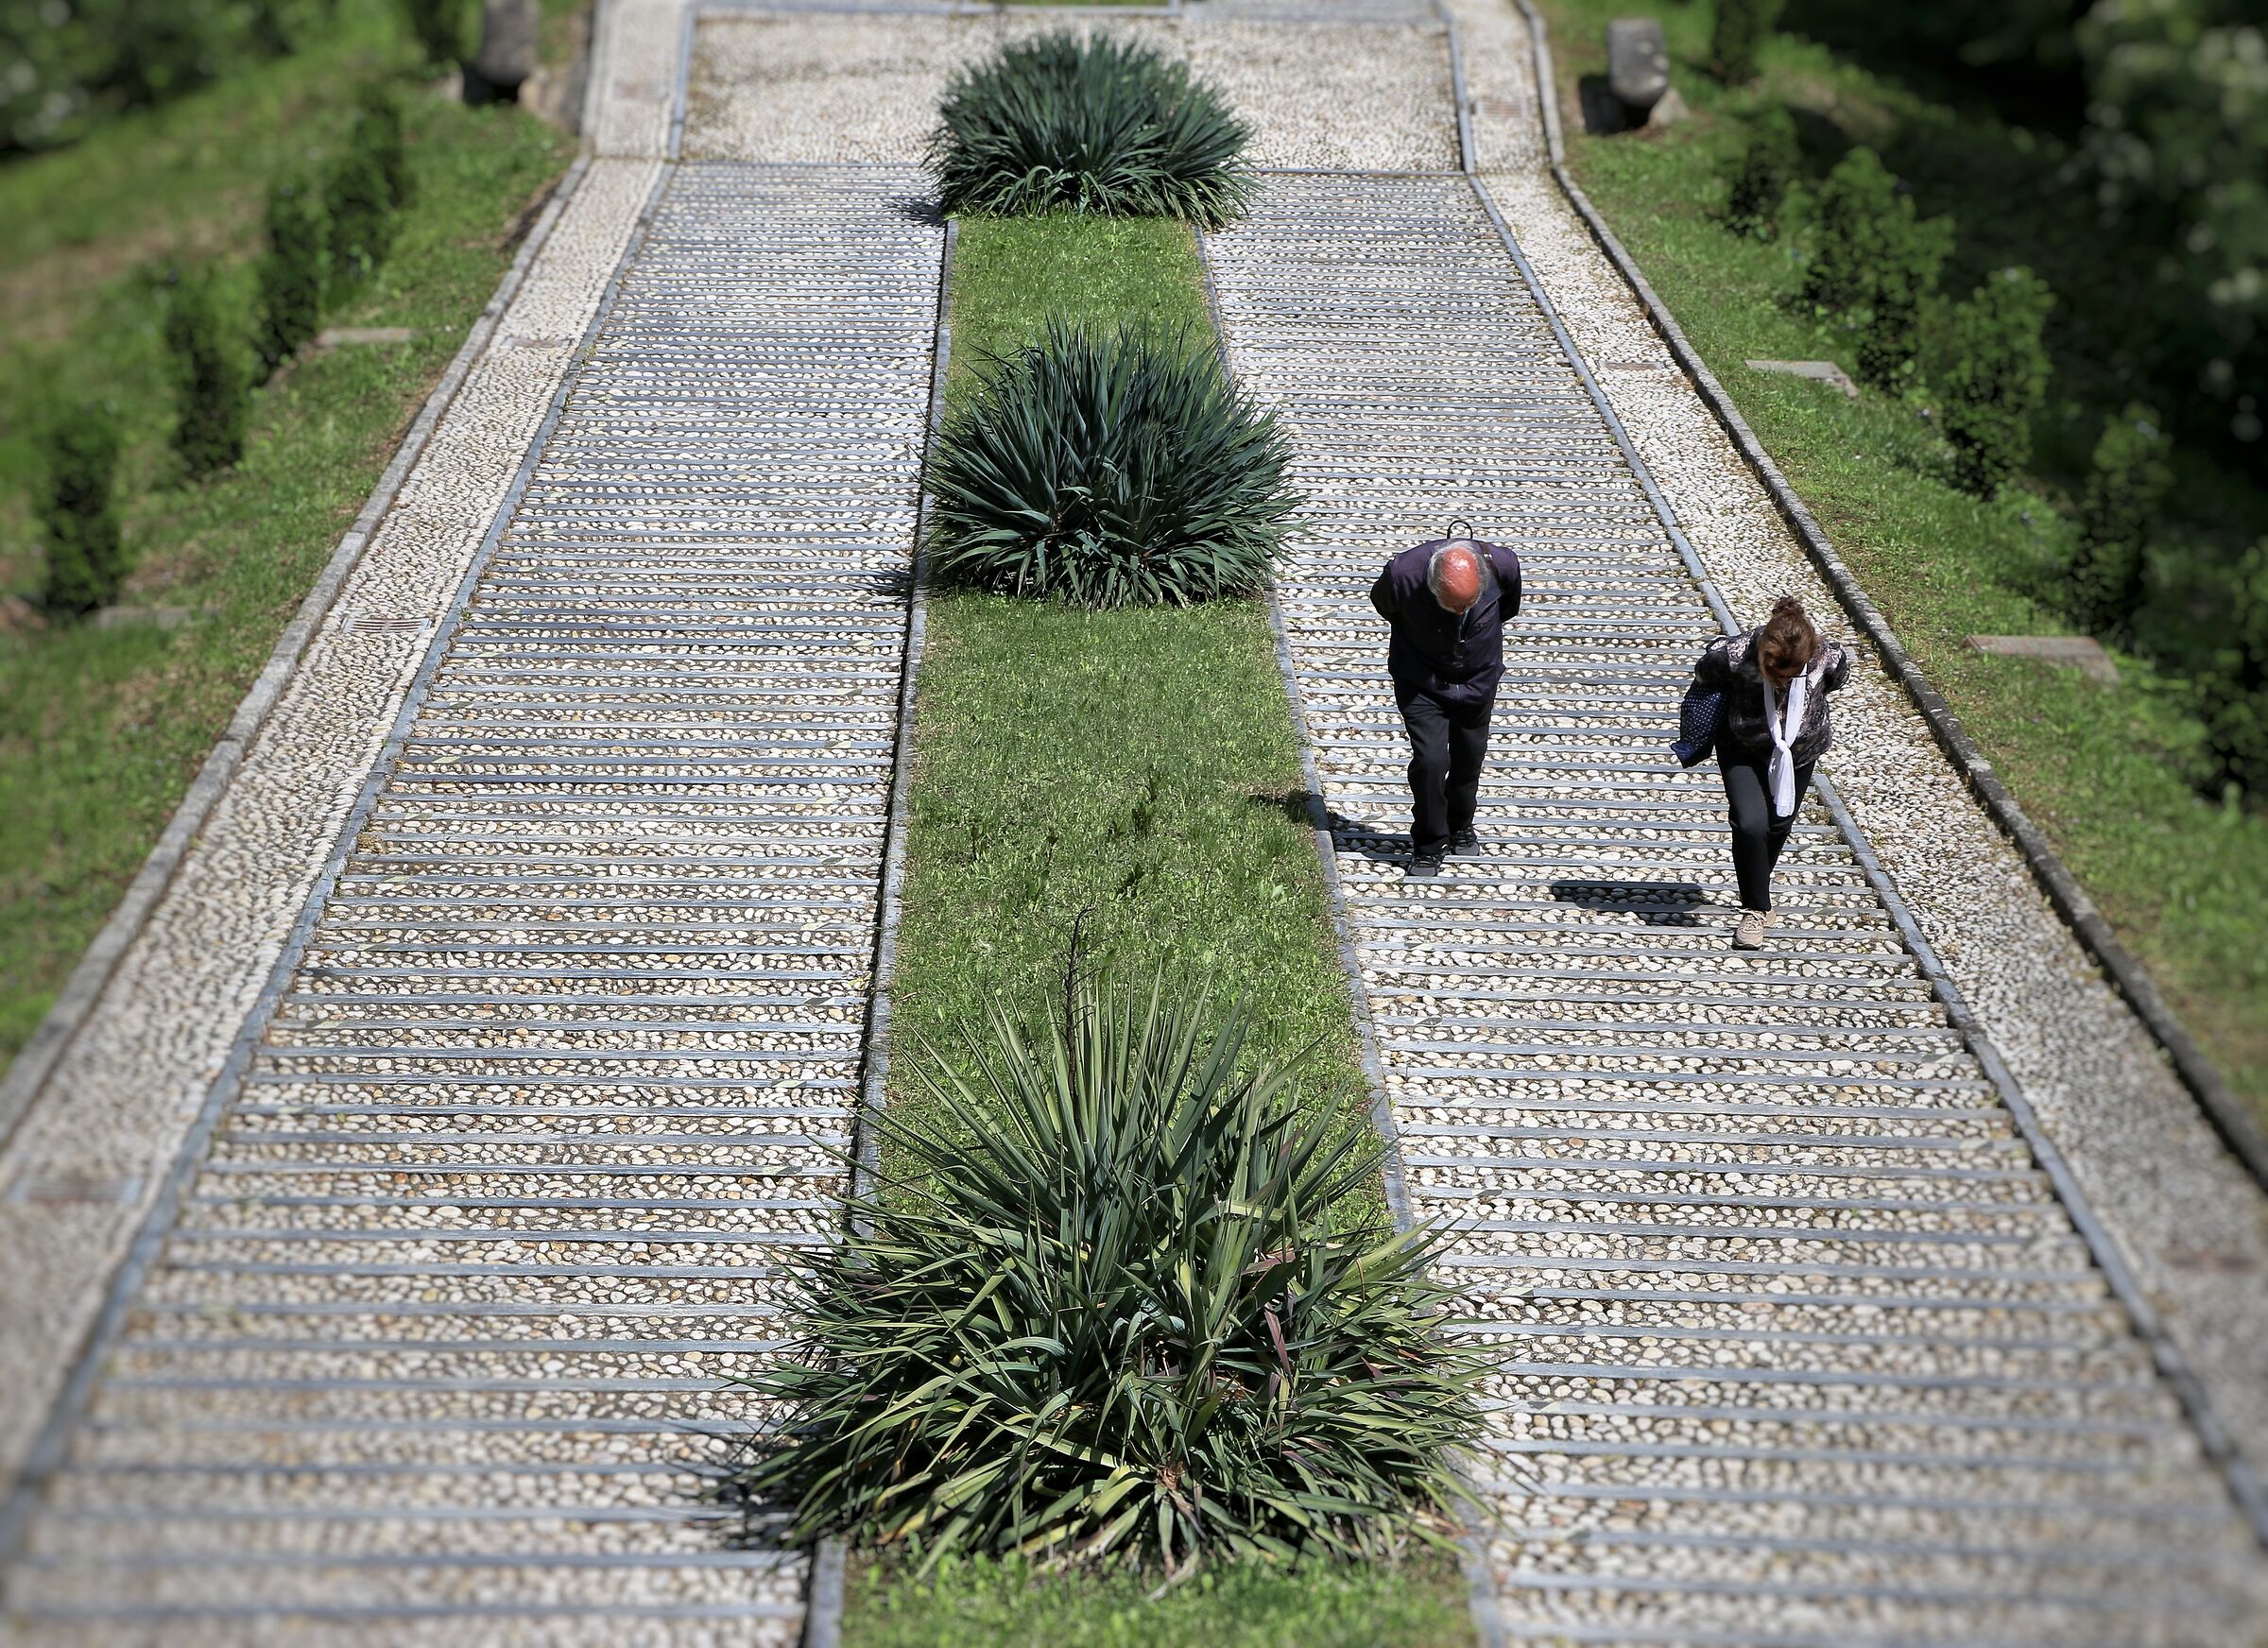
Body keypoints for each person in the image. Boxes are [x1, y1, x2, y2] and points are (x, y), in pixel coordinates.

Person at [1690, 594, 1850, 949]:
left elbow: (1838, 678)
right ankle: (1755, 909)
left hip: (1799, 752)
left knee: (1779, 823)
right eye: (1776, 673)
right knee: (1749, 822)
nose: (1782, 681)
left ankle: (1756, 893)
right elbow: (1704, 675)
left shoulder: (1827, 656)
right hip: (1741, 748)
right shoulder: (1733, 654)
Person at [1369, 532, 1522, 878]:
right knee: (1431, 760)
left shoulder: (1504, 566)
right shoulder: (1402, 574)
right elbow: (1385, 606)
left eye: (1467, 605)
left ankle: (1461, 824)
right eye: (1451, 604)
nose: (1459, 613)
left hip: (1478, 679)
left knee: (1470, 756)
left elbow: (1507, 609)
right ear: (1432, 582)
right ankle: (1428, 845)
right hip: (1421, 679)